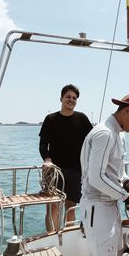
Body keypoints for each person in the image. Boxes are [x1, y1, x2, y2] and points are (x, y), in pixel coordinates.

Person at [79, 93, 129, 256]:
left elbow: (117, 167)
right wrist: (126, 197)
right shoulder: (105, 133)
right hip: (98, 208)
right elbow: (95, 177)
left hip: (109, 206)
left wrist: (126, 181)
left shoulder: (118, 133)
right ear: (127, 111)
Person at [39, 84, 93, 231]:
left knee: (71, 207)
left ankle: (68, 237)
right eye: (68, 97)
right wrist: (47, 159)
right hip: (55, 171)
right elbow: (43, 144)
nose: (71, 100)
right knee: (53, 208)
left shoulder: (82, 119)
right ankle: (52, 239)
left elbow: (93, 140)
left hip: (76, 171)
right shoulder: (50, 119)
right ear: (61, 98)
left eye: (74, 98)